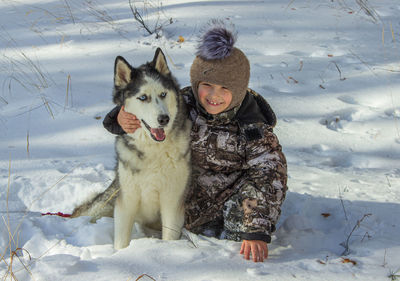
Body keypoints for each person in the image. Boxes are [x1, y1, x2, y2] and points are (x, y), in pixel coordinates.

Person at [103, 22, 288, 263]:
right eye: (207, 86)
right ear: (196, 84)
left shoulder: (251, 126)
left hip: (227, 204)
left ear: (239, 90)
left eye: (224, 88)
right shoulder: (184, 102)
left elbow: (270, 175)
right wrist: (119, 116)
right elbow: (146, 103)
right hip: (181, 199)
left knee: (239, 231)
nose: (214, 95)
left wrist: (256, 228)